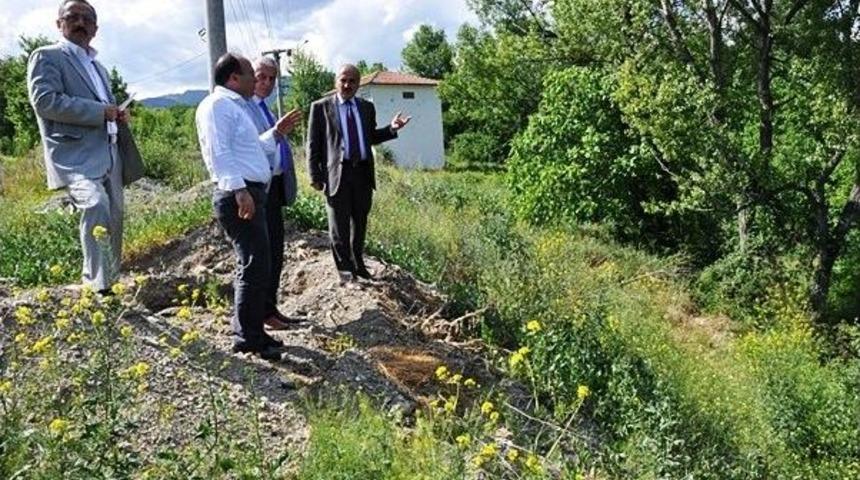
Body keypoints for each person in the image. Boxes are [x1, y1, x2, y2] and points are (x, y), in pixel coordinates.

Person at [27, 0, 142, 293]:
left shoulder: (99, 67)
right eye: (72, 17)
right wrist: (99, 111)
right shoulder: (47, 56)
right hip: (74, 155)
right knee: (95, 205)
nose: (80, 23)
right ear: (59, 24)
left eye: (87, 19)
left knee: (114, 218)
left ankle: (110, 285)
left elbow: (104, 108)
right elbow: (45, 102)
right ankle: (96, 288)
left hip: (109, 151)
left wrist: (116, 114)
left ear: (95, 28)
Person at [195, 53, 301, 360]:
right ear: (233, 78)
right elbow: (219, 153)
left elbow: (250, 150)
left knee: (258, 266)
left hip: (251, 192)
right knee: (253, 266)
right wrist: (240, 191)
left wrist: (276, 133)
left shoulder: (234, 107)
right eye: (250, 75)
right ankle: (247, 337)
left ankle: (254, 331)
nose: (257, 81)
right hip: (240, 194)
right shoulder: (217, 107)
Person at [306, 64, 410, 282]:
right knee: (339, 226)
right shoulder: (321, 107)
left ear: (358, 84)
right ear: (336, 81)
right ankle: (345, 272)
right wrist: (314, 176)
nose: (347, 85)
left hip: (362, 173)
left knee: (359, 223)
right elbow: (313, 145)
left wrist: (391, 129)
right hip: (337, 175)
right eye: (343, 80)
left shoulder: (365, 107)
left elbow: (369, 136)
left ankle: (358, 265)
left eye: (352, 81)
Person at [248, 56, 301, 329]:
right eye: (261, 77)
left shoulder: (265, 108)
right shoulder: (244, 108)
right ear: (249, 76)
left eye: (272, 78)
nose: (266, 83)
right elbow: (251, 147)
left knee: (276, 252)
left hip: (275, 188)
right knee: (262, 255)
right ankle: (261, 314)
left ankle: (270, 308)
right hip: (258, 190)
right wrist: (277, 132)